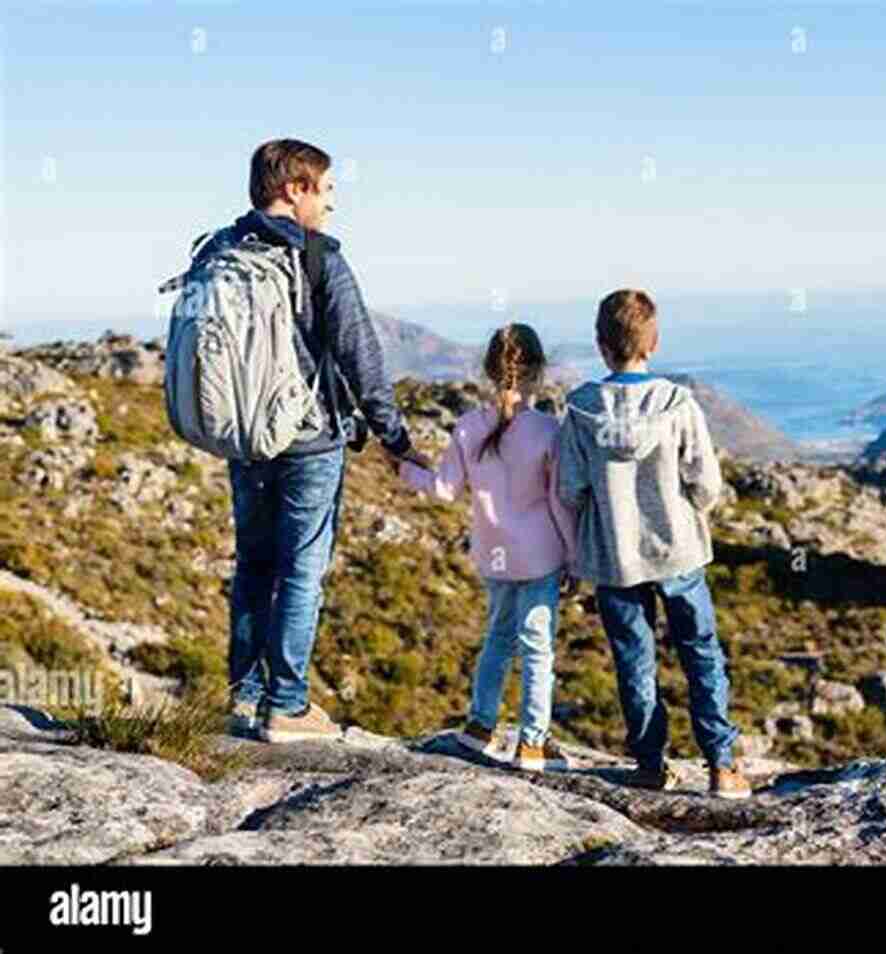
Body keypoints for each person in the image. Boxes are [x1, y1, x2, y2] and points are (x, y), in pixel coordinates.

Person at [206, 138, 429, 742]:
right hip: (308, 439)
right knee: (302, 570)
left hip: (246, 438)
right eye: (326, 190)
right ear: (295, 189)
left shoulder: (222, 250)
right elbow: (361, 354)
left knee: (253, 564)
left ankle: (242, 696)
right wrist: (395, 437)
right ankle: (287, 704)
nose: (331, 205)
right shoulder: (318, 257)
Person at [555, 289, 750, 798]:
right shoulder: (677, 403)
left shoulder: (579, 409)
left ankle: (648, 762)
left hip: (615, 558)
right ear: (654, 343)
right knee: (701, 650)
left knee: (633, 657)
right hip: (679, 551)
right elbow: (706, 483)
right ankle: (722, 765)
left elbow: (570, 490)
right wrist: (688, 508)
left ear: (601, 345)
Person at [395, 323, 577, 772]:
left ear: (488, 371)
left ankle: (479, 726)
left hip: (493, 555)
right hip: (540, 555)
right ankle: (532, 743)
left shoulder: (468, 426)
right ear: (537, 372)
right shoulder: (547, 430)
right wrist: (574, 555)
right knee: (537, 648)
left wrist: (402, 467)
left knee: (497, 638)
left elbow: (441, 490)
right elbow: (559, 500)